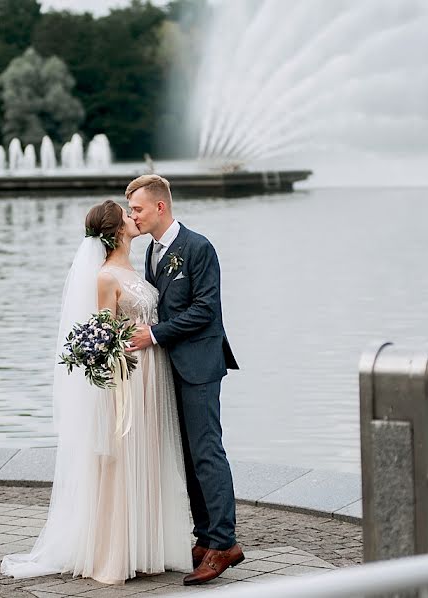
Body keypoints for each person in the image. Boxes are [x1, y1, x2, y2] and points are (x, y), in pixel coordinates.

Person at [0, 199, 191, 585]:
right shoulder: (106, 277)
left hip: (154, 373)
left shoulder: (135, 266)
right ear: (117, 230)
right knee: (125, 459)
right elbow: (104, 336)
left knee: (150, 454)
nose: (133, 217)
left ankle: (148, 545)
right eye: (127, 215)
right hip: (130, 377)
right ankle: (116, 552)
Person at [125, 174, 244, 586]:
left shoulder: (198, 247)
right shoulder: (153, 253)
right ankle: (204, 537)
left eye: (137, 209)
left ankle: (225, 543)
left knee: (207, 452)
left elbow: (206, 311)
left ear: (160, 206)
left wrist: (153, 335)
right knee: (188, 456)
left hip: (200, 366)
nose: (132, 216)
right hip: (169, 368)